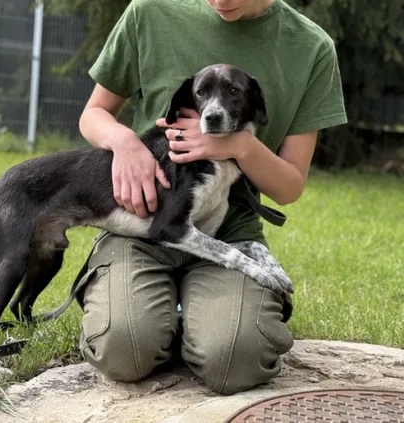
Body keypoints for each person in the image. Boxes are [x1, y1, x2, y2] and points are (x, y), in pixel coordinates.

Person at [74, 0, 347, 395]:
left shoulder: (311, 47)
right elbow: (93, 113)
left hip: (228, 232)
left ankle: (198, 320)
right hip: (143, 226)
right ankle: (161, 317)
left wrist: (239, 145)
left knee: (235, 360)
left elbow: (289, 187)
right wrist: (124, 143)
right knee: (125, 348)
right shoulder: (149, 12)